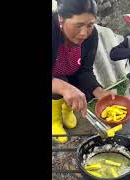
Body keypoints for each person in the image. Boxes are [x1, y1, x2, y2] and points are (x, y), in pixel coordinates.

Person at [52, 0, 115, 143]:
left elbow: (85, 71)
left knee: (80, 88)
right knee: (60, 86)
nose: (84, 33)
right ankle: (54, 120)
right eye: (78, 25)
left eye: (90, 25)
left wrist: (100, 92)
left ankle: (67, 112)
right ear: (61, 18)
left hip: (69, 73)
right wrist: (63, 87)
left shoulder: (91, 36)